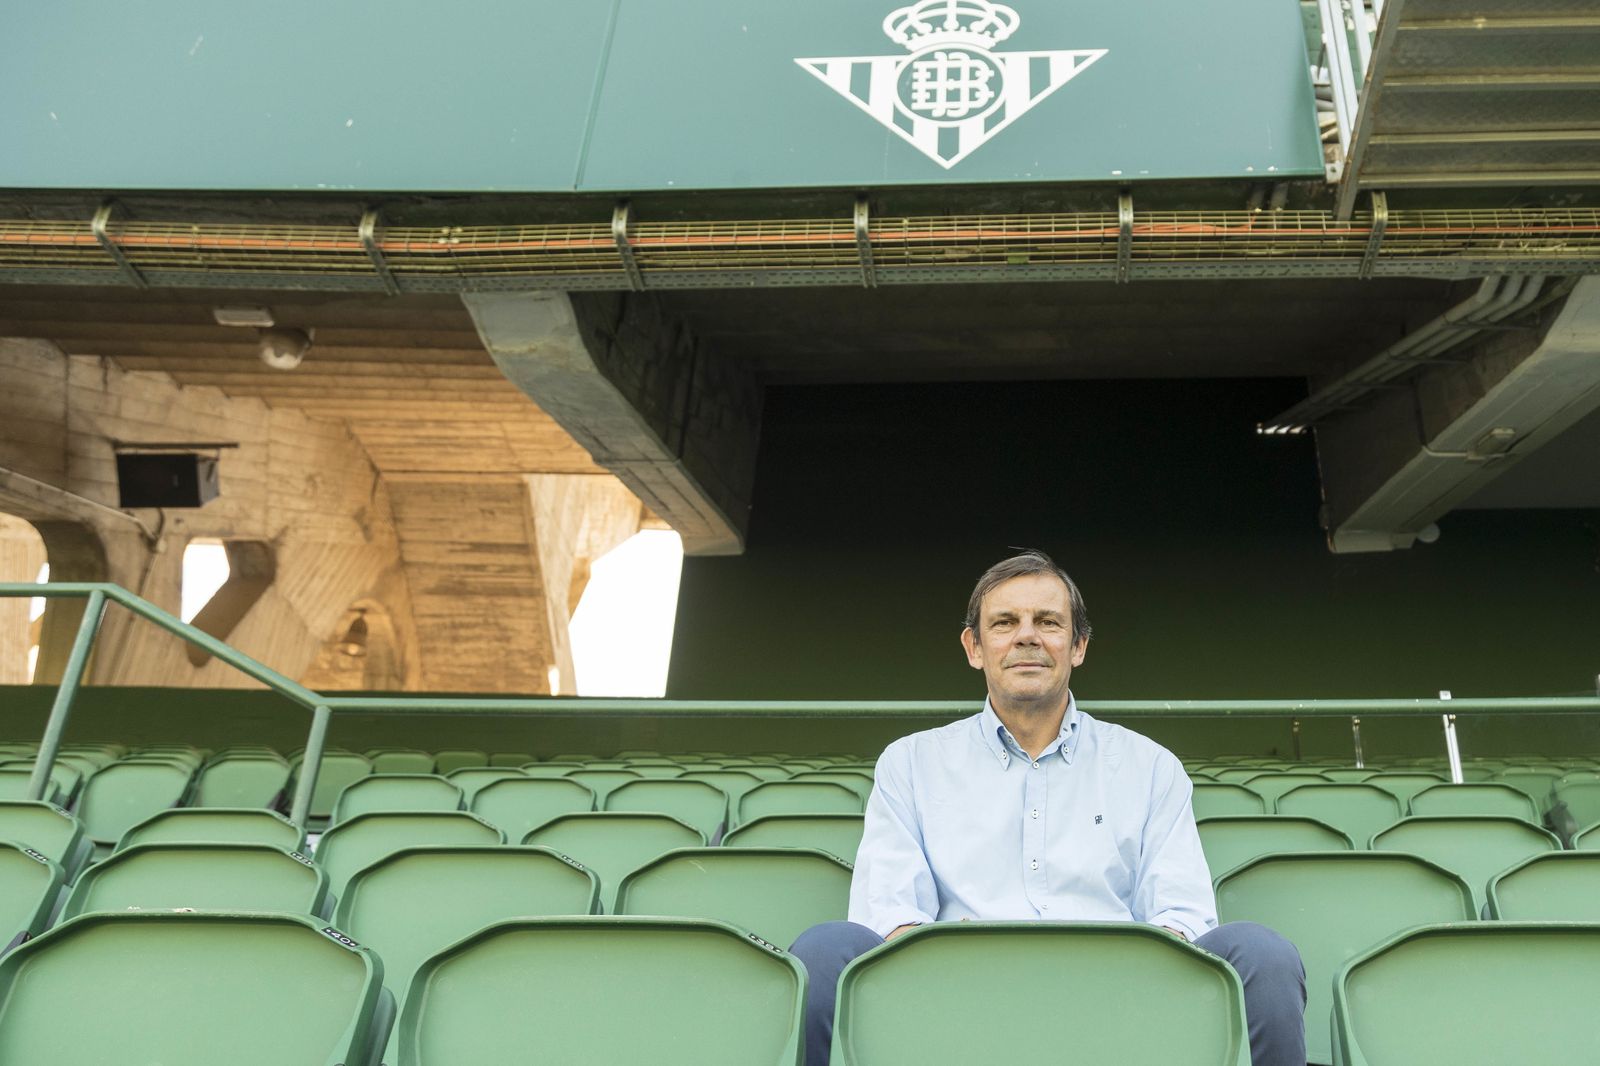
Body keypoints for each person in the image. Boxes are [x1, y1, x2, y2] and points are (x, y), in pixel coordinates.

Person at [789, 550, 1306, 1066]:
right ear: (974, 647)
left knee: (1262, 953)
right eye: (1004, 622)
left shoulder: (1150, 766)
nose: (1027, 636)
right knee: (824, 949)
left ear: (1078, 646)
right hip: (956, 998)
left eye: (1048, 622)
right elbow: (890, 912)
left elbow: (1181, 916)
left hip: (1118, 999)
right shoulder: (910, 763)